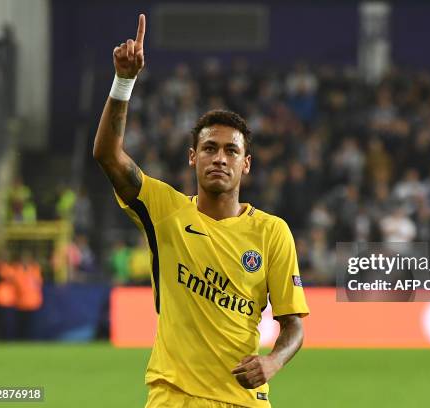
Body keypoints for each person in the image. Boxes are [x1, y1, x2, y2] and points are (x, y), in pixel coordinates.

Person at [92, 14, 309, 408]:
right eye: (210, 148)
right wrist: (124, 82)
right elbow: (108, 155)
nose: (220, 158)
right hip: (174, 397)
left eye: (232, 150)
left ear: (246, 164)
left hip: (243, 400)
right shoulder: (165, 210)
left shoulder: (272, 232)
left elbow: (293, 324)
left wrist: (274, 360)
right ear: (193, 157)